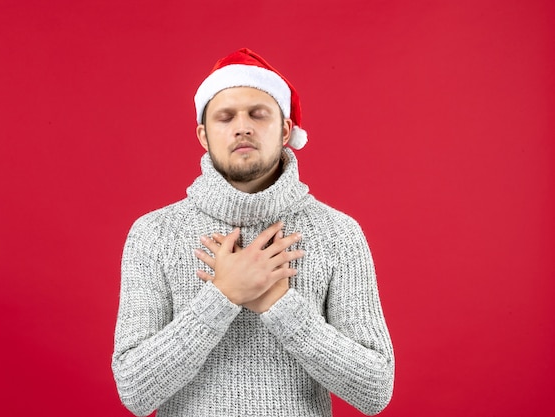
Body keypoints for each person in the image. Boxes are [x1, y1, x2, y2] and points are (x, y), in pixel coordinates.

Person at [112, 48, 394, 417]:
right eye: (225, 117)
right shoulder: (154, 234)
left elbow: (375, 390)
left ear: (286, 130)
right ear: (203, 134)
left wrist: (279, 305)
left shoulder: (338, 234)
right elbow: (135, 391)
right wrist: (224, 295)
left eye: (258, 114)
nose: (242, 126)